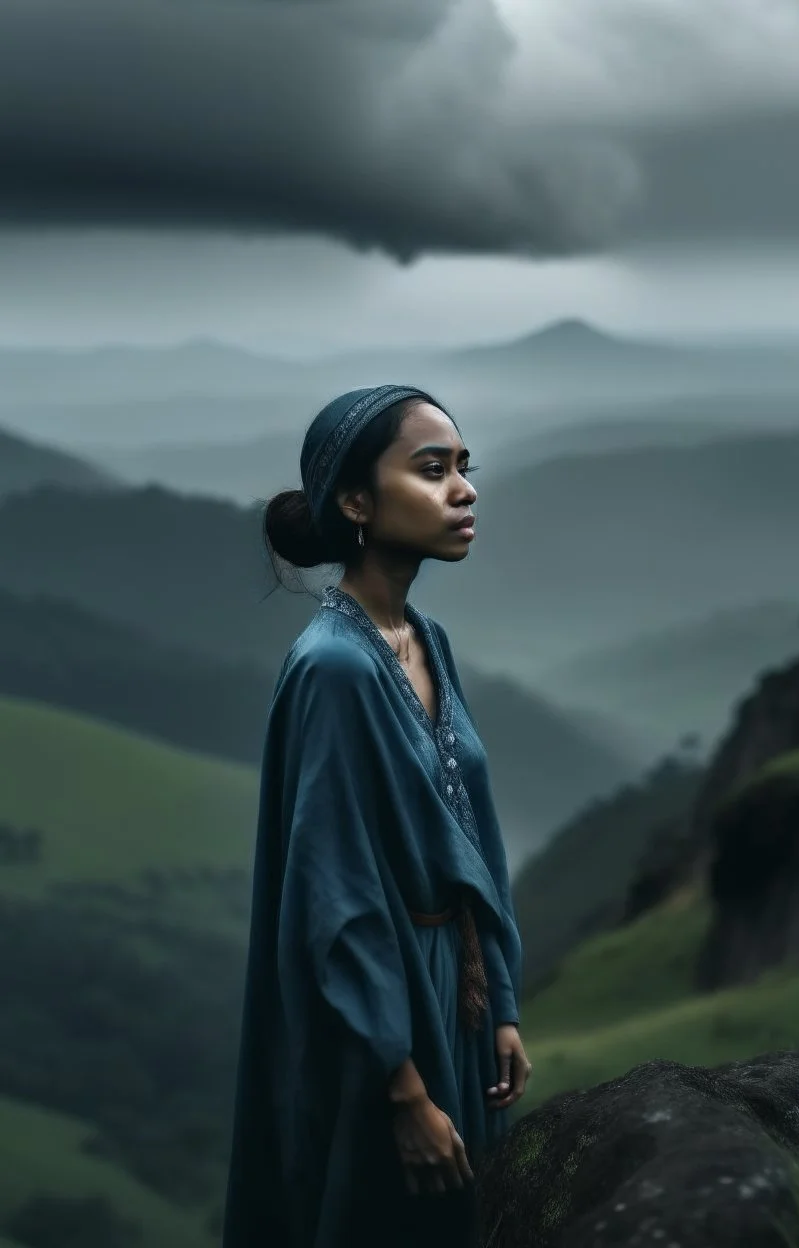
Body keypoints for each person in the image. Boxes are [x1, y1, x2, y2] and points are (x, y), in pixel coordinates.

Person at [222, 384, 530, 1248]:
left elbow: (476, 836)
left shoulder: (426, 640)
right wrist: (402, 1091)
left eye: (466, 468)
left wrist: (500, 1001)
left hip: (453, 996)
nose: (464, 490)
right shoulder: (334, 670)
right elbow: (335, 897)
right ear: (356, 502)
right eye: (433, 471)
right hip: (378, 1023)